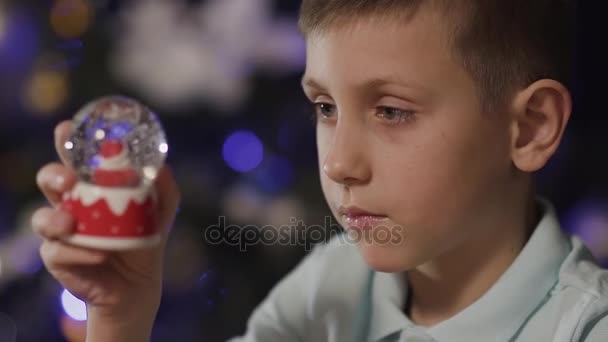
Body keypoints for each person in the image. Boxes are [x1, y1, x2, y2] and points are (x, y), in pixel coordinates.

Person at [32, 0, 608, 341]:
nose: (338, 163)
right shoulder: (332, 284)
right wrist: (121, 318)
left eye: (392, 111)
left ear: (530, 128)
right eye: (326, 108)